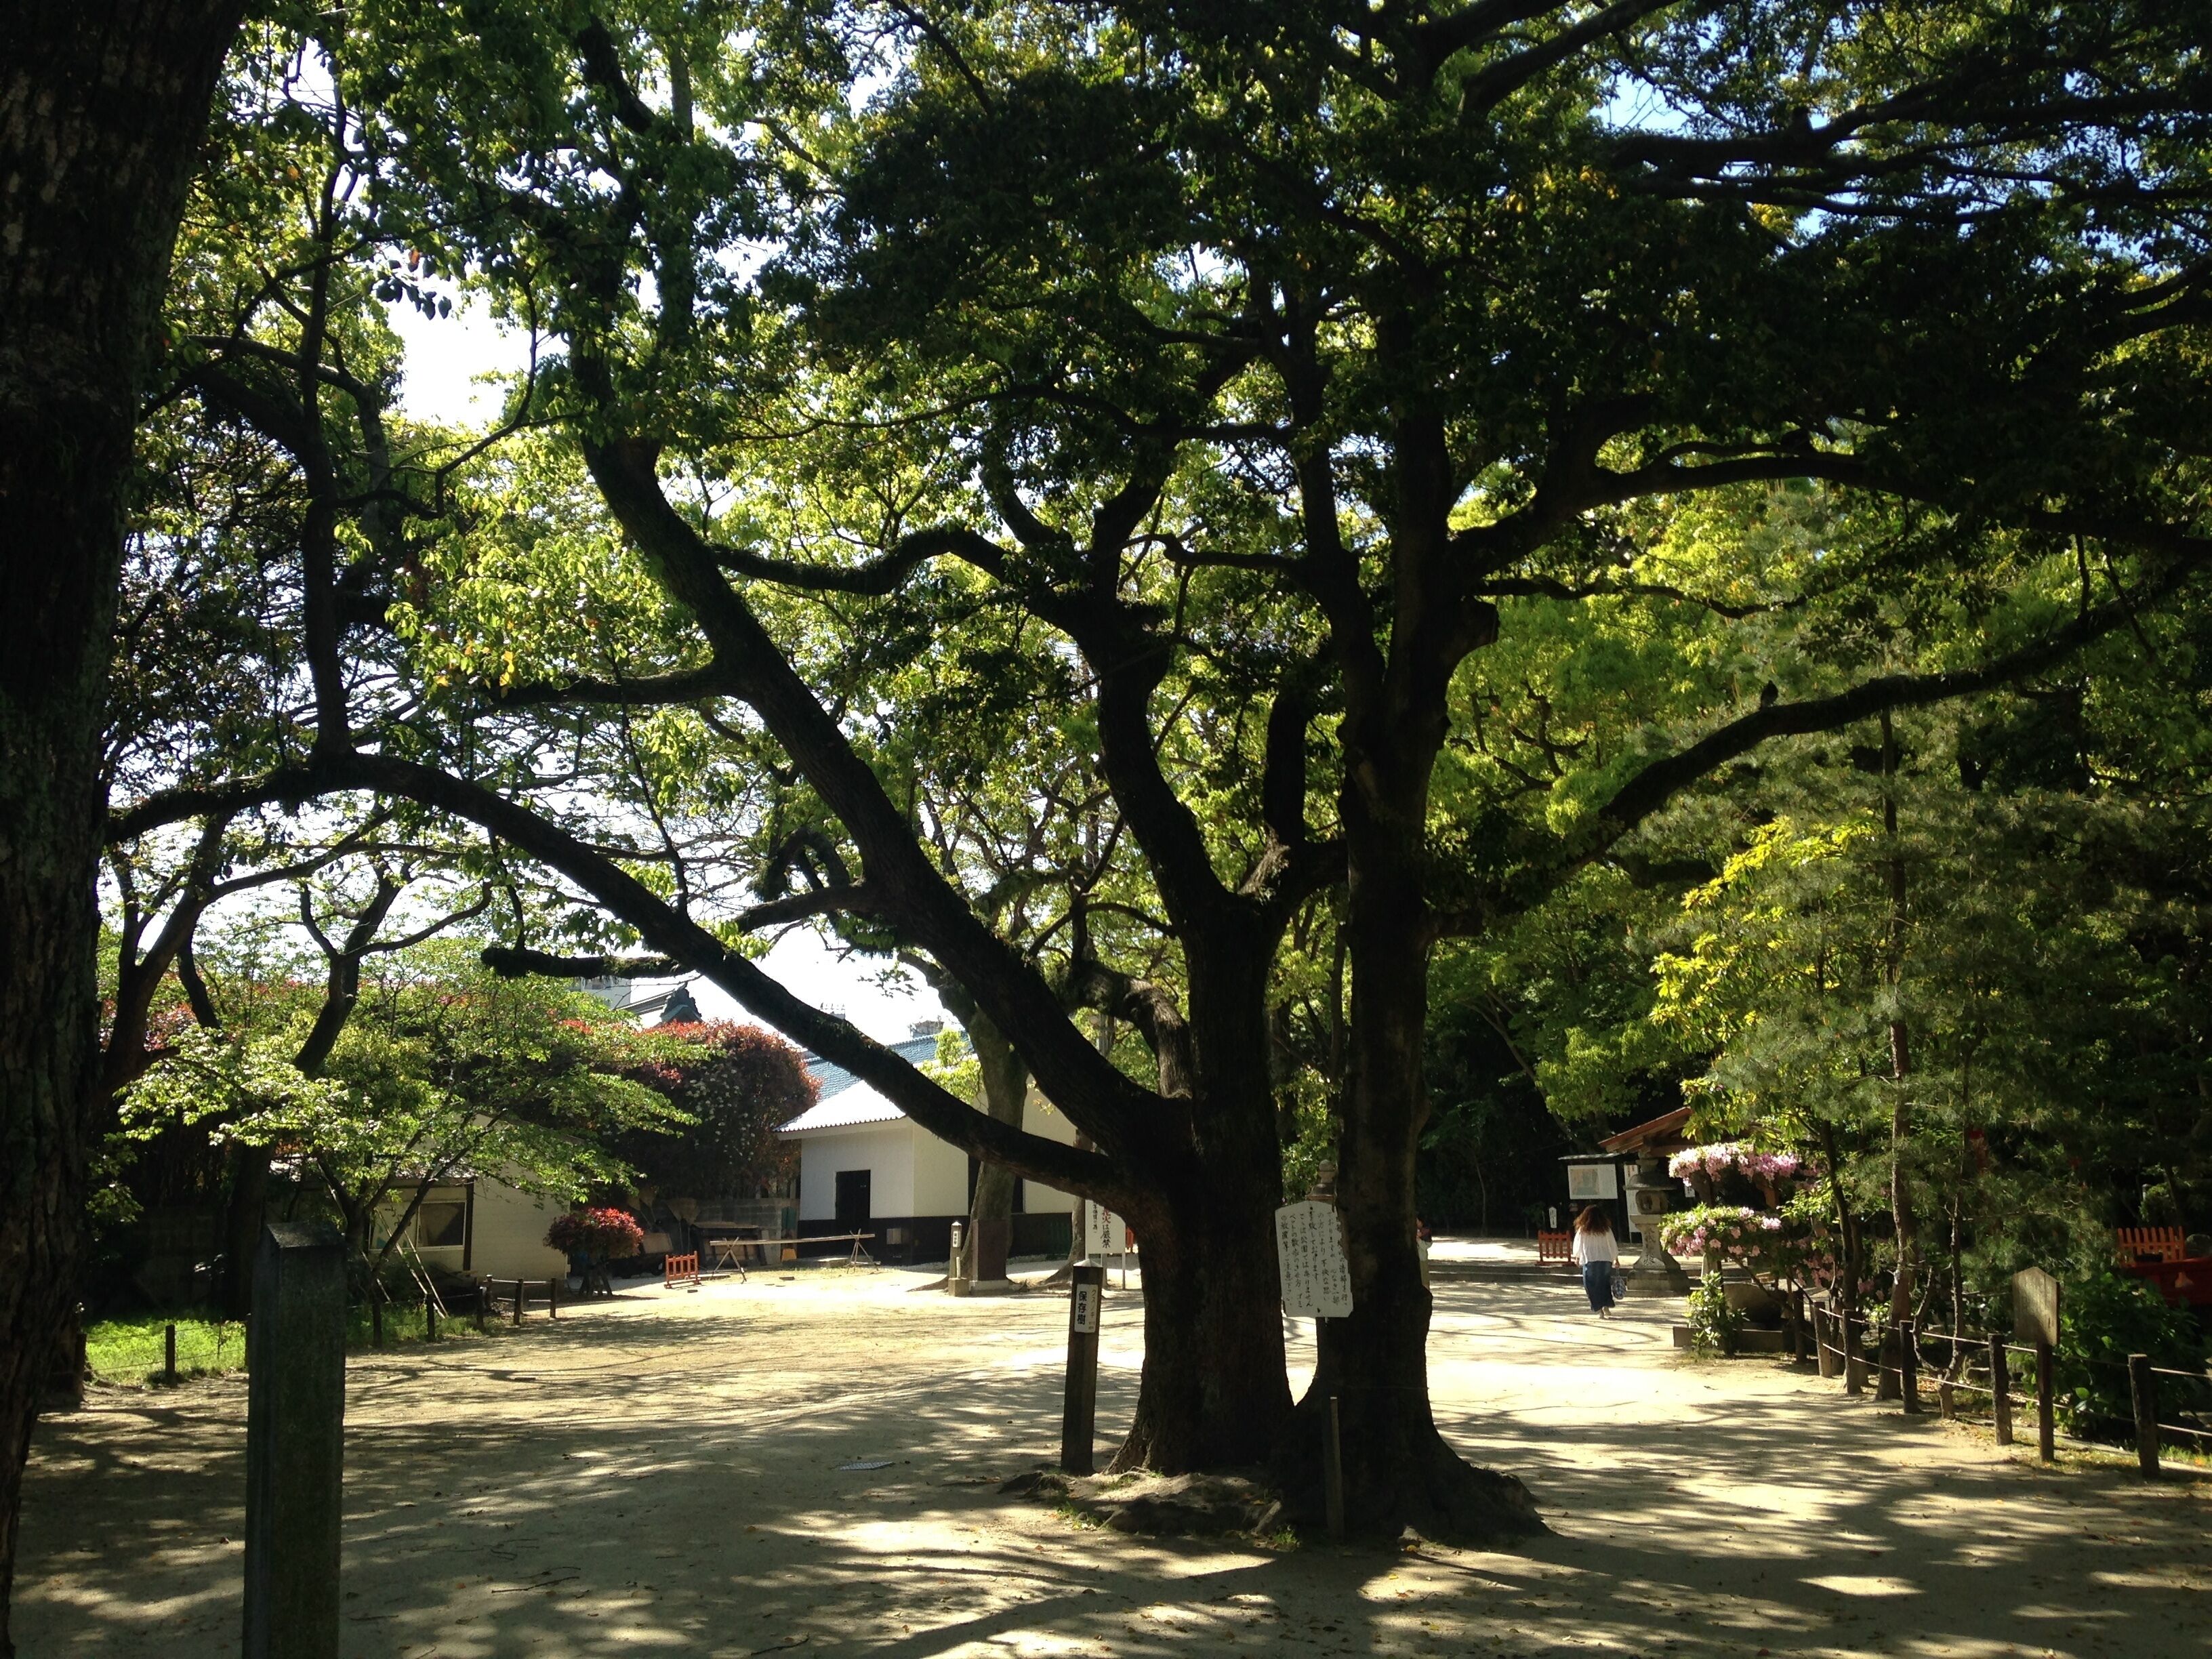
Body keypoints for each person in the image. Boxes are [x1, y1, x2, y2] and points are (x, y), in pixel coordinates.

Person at [1570, 1206, 1619, 1317]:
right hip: (1605, 1259)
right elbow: (1612, 1244)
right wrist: (1616, 1259)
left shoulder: (1583, 1229)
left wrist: (1577, 1257)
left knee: (1591, 1285)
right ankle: (1606, 1305)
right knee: (1604, 1283)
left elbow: (1578, 1245)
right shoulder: (1606, 1229)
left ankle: (1599, 1310)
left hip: (1590, 1259)